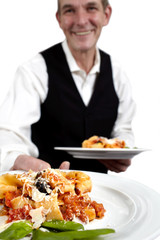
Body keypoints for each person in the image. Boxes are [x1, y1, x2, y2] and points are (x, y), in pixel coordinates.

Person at [0, 0, 136, 173]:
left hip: (105, 195)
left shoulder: (117, 72)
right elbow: (9, 132)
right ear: (59, 19)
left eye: (91, 8)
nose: (80, 20)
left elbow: (123, 129)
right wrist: (16, 159)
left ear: (106, 14)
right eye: (70, 10)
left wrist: (122, 150)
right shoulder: (35, 70)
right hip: (47, 194)